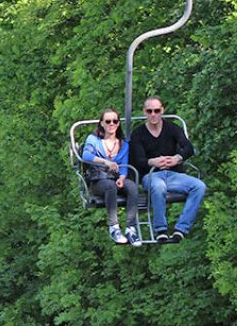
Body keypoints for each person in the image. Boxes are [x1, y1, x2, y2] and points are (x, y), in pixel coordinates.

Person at [130, 96, 205, 243]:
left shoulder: (172, 128)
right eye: (150, 111)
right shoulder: (138, 133)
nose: (153, 115)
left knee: (199, 186)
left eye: (156, 111)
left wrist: (177, 158)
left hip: (173, 174)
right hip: (151, 176)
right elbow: (137, 160)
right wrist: (153, 162)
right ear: (144, 112)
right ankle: (161, 229)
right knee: (159, 187)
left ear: (162, 111)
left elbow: (188, 148)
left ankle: (181, 228)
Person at [82, 108, 141, 246]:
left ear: (118, 123)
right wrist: (105, 161)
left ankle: (131, 228)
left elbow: (124, 164)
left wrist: (121, 178)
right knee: (110, 187)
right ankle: (114, 226)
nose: (111, 124)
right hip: (99, 180)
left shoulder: (123, 144)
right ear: (101, 123)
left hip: (115, 178)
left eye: (115, 121)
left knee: (132, 187)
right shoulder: (93, 140)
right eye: (108, 121)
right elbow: (86, 156)